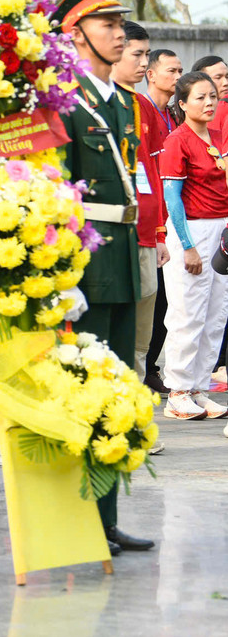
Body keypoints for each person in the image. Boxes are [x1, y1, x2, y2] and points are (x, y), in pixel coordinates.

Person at [50, 0, 154, 556]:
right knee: (84, 392)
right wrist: (65, 273)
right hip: (87, 262)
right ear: (77, 32)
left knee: (117, 392)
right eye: (107, 24)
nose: (118, 33)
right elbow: (57, 191)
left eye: (120, 23)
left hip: (121, 254)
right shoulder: (64, 101)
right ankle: (78, 516)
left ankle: (105, 517)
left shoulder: (121, 103)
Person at [157, 71, 228, 421]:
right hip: (193, 230)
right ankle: (178, 391)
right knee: (188, 313)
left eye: (212, 96)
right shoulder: (177, 141)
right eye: (200, 97)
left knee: (216, 314)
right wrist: (187, 245)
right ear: (182, 103)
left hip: (220, 230)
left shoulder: (216, 136)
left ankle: (199, 388)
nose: (210, 102)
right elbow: (172, 197)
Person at [112, 23, 169, 403]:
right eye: (137, 54)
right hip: (113, 235)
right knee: (115, 328)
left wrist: (161, 232)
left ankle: (131, 414)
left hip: (147, 234)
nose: (143, 63)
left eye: (147, 55)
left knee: (141, 333)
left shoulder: (143, 106)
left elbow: (155, 172)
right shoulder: (96, 103)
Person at [143, 47, 183, 392]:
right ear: (150, 74)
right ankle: (144, 367)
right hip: (153, 216)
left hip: (174, 215)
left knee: (168, 300)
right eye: (171, 70)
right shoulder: (142, 111)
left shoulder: (175, 114)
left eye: (181, 70)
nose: (177, 77)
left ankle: (152, 365)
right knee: (153, 297)